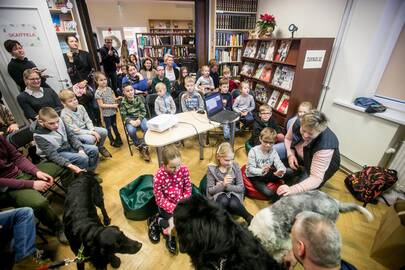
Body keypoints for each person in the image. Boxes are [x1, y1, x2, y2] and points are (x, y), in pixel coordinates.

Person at [0, 135, 73, 244]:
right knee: (40, 203)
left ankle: (72, 198)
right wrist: (31, 184)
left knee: (65, 166)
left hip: (20, 173)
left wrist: (36, 172)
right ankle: (57, 226)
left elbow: (17, 157)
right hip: (6, 188)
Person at [277, 110, 340, 196]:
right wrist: (290, 154)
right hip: (302, 153)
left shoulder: (325, 146)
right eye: (303, 130)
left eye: (310, 133)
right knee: (272, 151)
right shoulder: (298, 122)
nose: (305, 135)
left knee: (296, 195)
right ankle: (297, 171)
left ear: (319, 131)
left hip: (317, 168)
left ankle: (300, 173)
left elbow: (316, 178)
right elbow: (288, 139)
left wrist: (292, 189)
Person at [149, 145, 192, 254]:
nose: (177, 169)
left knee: (188, 221)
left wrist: (183, 203)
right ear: (164, 164)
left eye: (179, 165)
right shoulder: (158, 177)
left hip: (181, 203)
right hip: (166, 207)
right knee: (174, 221)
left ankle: (159, 221)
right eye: (173, 167)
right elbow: (159, 200)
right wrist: (174, 208)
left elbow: (187, 188)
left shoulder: (184, 169)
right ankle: (167, 233)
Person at [32, 107, 99, 173]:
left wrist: (80, 148)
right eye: (51, 123)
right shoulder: (38, 136)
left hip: (67, 146)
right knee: (82, 158)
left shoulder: (60, 120)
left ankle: (90, 173)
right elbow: (52, 155)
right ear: (41, 122)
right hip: (57, 152)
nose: (56, 125)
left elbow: (71, 136)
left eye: (57, 121)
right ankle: (84, 178)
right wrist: (69, 165)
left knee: (94, 149)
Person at [207, 142, 253, 224]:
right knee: (223, 200)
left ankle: (249, 218)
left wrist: (226, 186)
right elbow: (210, 191)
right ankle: (220, 223)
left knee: (233, 203)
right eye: (226, 160)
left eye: (232, 159)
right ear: (218, 157)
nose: (230, 163)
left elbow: (241, 188)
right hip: (218, 195)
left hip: (233, 194)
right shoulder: (212, 169)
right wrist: (222, 185)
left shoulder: (235, 166)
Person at [59, 89, 111, 158]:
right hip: (76, 133)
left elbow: (87, 120)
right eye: (70, 101)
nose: (74, 102)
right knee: (90, 139)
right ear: (64, 103)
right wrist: (91, 133)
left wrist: (92, 130)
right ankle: (92, 154)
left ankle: (99, 147)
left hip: (85, 129)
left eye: (75, 99)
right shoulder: (64, 114)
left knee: (104, 131)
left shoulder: (81, 107)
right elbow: (74, 130)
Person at [246, 128, 287, 201]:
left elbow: (279, 163)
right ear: (260, 139)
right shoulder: (253, 151)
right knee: (268, 193)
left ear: (274, 142)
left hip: (267, 173)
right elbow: (250, 169)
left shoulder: (273, 151)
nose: (268, 145)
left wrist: (280, 170)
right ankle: (279, 200)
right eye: (265, 142)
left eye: (271, 143)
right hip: (255, 176)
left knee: (289, 171)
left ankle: (287, 190)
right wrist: (261, 171)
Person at [120, 83, 151, 161]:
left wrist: (139, 119)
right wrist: (131, 121)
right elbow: (124, 115)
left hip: (140, 117)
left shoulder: (138, 98)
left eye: (131, 90)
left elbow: (143, 111)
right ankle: (138, 145)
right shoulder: (123, 103)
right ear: (124, 92)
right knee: (131, 130)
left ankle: (144, 145)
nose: (130, 92)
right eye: (127, 91)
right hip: (130, 119)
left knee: (146, 127)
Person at [94, 71, 123, 148]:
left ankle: (118, 137)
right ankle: (112, 141)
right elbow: (101, 105)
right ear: (97, 81)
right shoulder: (98, 93)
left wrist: (117, 99)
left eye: (105, 79)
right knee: (108, 127)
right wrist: (113, 105)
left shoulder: (109, 89)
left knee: (114, 125)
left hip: (113, 111)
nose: (104, 81)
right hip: (106, 113)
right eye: (101, 80)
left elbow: (113, 98)